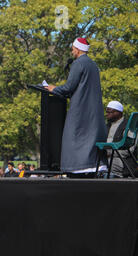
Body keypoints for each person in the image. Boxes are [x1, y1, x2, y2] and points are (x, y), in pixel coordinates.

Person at [46, 38, 107, 177]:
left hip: (80, 110)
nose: (72, 51)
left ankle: (77, 168)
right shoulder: (93, 65)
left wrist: (53, 88)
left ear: (78, 49)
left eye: (73, 48)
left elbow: (69, 88)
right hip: (93, 112)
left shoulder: (78, 64)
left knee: (72, 137)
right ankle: (91, 167)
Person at [104, 101, 136, 178]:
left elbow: (130, 149)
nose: (106, 114)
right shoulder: (107, 125)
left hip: (123, 161)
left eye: (109, 112)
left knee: (104, 165)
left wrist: (109, 153)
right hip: (106, 158)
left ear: (118, 112)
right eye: (106, 112)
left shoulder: (128, 126)